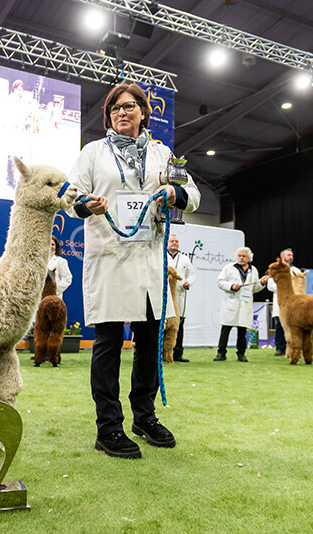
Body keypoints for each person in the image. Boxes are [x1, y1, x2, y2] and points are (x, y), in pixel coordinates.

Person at [68, 82, 201, 459]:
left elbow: (192, 194)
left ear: (144, 112)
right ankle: (108, 427)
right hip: (110, 260)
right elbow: (69, 195)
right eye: (114, 109)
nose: (121, 113)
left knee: (148, 345)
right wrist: (85, 205)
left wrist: (175, 194)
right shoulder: (93, 152)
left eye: (129, 107)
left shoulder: (163, 154)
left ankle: (144, 416)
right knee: (108, 346)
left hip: (148, 263)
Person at [215, 246, 269, 362]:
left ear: (249, 258)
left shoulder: (253, 270)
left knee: (242, 331)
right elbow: (220, 282)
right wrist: (231, 286)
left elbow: (254, 288)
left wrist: (262, 283)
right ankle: (221, 353)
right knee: (226, 329)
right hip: (231, 302)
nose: (241, 258)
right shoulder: (229, 268)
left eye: (244, 256)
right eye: (239, 255)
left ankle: (241, 354)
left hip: (245, 303)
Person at [266, 248, 302, 355]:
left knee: (294, 325)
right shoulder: (276, 268)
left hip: (294, 302)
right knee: (280, 325)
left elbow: (300, 284)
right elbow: (270, 285)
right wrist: (284, 287)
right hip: (280, 302)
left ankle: (293, 347)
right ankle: (280, 348)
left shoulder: (296, 271)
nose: (291, 257)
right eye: (288, 255)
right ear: (282, 257)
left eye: (292, 255)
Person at [167, 234, 195, 363]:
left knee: (179, 325)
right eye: (172, 241)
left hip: (179, 295)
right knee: (165, 325)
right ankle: (162, 352)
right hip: (165, 296)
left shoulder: (185, 259)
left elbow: (191, 275)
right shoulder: (161, 256)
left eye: (176, 241)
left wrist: (188, 282)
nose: (174, 243)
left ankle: (178, 353)